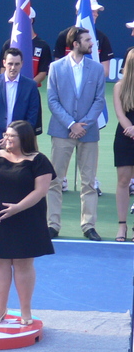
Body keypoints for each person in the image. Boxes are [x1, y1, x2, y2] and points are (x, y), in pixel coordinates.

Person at [0, 120, 55, 325]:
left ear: (24, 139)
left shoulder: (39, 161)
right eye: (6, 134)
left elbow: (40, 191)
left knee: (23, 264)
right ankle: (0, 309)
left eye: (12, 136)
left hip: (27, 219)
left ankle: (25, 312)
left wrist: (17, 208)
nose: (7, 138)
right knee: (0, 262)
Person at [46, 26, 106, 240]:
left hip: (88, 134)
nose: (92, 43)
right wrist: (71, 124)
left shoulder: (97, 69)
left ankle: (88, 226)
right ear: (75, 44)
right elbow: (52, 100)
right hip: (62, 132)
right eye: (88, 40)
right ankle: (53, 224)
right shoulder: (55, 67)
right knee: (55, 180)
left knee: (88, 182)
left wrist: (84, 125)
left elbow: (100, 100)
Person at [0, 47, 41, 155]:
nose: (13, 67)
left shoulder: (31, 86)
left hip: (20, 144)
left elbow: (32, 115)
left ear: (22, 64)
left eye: (17, 64)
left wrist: (15, 138)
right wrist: (1, 138)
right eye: (10, 63)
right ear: (4, 63)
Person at [52, 0, 114, 77]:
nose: (96, 14)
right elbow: (58, 68)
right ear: (79, 12)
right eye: (92, 11)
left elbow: (105, 71)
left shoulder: (102, 38)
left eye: (97, 11)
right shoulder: (64, 36)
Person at [112, 48, 134, 241]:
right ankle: (122, 225)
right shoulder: (119, 87)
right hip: (125, 137)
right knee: (123, 181)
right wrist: (132, 129)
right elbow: (120, 115)